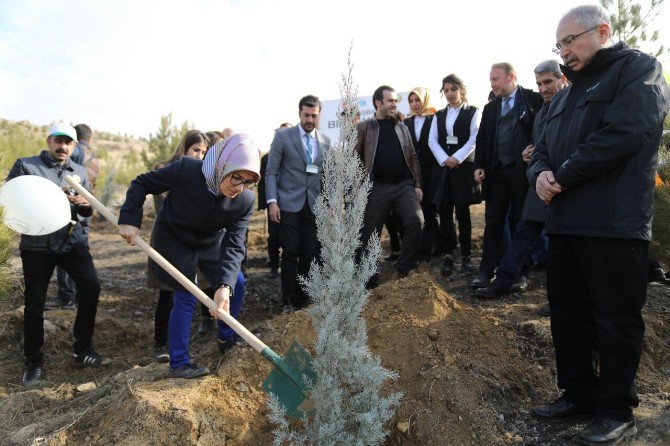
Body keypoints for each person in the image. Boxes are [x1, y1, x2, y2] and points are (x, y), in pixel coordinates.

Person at [528, 5, 670, 444]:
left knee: (615, 320)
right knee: (567, 316)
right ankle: (578, 394)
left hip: (614, 225)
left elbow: (626, 133)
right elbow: (543, 146)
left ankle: (614, 409)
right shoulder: (567, 94)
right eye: (559, 45)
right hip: (566, 223)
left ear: (602, 31)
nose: (563, 52)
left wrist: (562, 176)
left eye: (570, 41)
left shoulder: (639, 71)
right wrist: (540, 176)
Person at [118, 133, 260, 379]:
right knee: (187, 293)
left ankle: (227, 337)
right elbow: (141, 183)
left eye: (247, 183)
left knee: (236, 282)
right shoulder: (187, 169)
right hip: (174, 238)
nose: (238, 188)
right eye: (236, 177)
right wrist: (130, 219)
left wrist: (223, 285)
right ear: (222, 164)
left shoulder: (245, 201)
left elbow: (235, 244)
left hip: (209, 242)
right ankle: (179, 363)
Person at [6, 122, 111, 387]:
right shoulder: (26, 167)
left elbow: (87, 213)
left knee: (91, 287)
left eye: (68, 142)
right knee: (35, 304)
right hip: (37, 245)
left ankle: (82, 349)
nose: (62, 146)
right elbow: (10, 201)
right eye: (58, 141)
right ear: (48, 141)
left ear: (74, 146)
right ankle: (33, 361)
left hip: (70, 241)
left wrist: (85, 204)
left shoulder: (79, 172)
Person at [476, 60, 567, 299]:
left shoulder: (541, 101)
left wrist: (534, 155)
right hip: (516, 177)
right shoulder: (497, 108)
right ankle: (495, 275)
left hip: (546, 180)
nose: (543, 88)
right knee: (506, 226)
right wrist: (481, 166)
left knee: (529, 226)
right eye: (540, 83)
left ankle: (526, 276)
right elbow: (485, 139)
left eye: (548, 82)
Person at [471, 63, 543, 288]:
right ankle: (486, 270)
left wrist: (534, 150)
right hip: (496, 174)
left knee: (519, 222)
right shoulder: (490, 108)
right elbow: (482, 139)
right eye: (491, 80)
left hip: (522, 174)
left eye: (495, 79)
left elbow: (541, 131)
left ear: (511, 77)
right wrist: (479, 165)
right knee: (493, 222)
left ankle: (521, 272)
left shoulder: (532, 100)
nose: (492, 84)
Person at [147, 130, 213, 362]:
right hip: (167, 238)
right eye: (196, 150)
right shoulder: (166, 168)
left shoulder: (202, 173)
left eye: (203, 152)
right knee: (167, 293)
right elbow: (169, 203)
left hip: (189, 238)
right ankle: (160, 344)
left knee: (189, 290)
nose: (199, 156)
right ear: (184, 148)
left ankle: (185, 339)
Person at [265, 96, 331, 312]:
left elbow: (326, 177)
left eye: (314, 115)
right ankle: (288, 301)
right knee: (291, 252)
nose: (310, 119)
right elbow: (271, 172)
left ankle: (304, 299)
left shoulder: (325, 141)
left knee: (311, 253)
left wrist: (328, 205)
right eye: (306, 115)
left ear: (319, 115)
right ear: (299, 114)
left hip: (313, 206)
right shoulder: (283, 137)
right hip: (288, 205)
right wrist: (272, 202)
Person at [354, 85, 424, 285]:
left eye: (396, 101)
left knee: (416, 221)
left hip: (404, 186)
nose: (395, 104)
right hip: (377, 187)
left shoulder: (402, 127)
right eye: (390, 101)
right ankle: (371, 276)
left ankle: (405, 268)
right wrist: (360, 189)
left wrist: (417, 184)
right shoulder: (364, 128)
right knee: (370, 232)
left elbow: (412, 157)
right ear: (378, 103)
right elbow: (354, 160)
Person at [428, 75, 481, 277]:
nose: (449, 94)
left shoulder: (473, 112)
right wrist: (445, 159)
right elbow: (432, 141)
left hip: (462, 169)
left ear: (461, 89)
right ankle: (449, 255)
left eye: (452, 89)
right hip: (444, 170)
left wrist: (457, 157)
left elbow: (474, 138)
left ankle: (466, 256)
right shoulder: (439, 115)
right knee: (445, 211)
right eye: (445, 90)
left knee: (463, 211)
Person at [47, 123, 100, 310]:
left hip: (73, 208)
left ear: (75, 142)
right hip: (81, 208)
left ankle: (67, 297)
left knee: (68, 250)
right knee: (76, 248)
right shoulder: (92, 158)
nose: (64, 146)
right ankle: (74, 296)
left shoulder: (77, 156)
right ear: (90, 138)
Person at [404, 87, 439, 264]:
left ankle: (428, 251)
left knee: (430, 212)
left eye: (417, 100)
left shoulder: (435, 118)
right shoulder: (406, 122)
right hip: (413, 174)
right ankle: (415, 250)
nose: (414, 104)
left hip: (432, 171)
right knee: (415, 213)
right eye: (411, 101)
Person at [258, 123, 292, 279]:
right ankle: (273, 265)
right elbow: (263, 181)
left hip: (292, 204)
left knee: (290, 236)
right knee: (274, 236)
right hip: (274, 203)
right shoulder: (267, 157)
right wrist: (265, 203)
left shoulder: (296, 156)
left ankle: (290, 265)